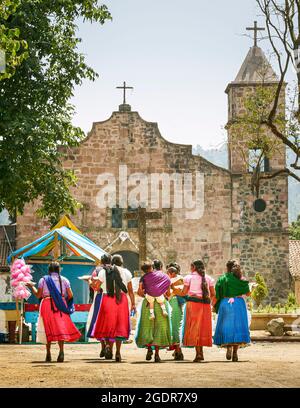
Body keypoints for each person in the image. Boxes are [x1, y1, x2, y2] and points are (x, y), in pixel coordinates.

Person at [26, 261, 81, 362]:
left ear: (49, 270)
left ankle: (48, 353)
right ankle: (61, 351)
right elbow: (71, 295)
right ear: (58, 270)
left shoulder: (43, 280)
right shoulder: (64, 280)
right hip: (61, 304)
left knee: (48, 328)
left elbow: (38, 295)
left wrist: (31, 286)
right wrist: (61, 299)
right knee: (61, 328)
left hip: (47, 304)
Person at [91, 254, 135, 363]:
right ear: (122, 262)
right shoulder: (127, 272)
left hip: (107, 299)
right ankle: (118, 353)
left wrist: (91, 283)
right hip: (121, 300)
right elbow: (130, 291)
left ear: (112, 262)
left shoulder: (103, 272)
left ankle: (107, 346)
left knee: (107, 324)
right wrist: (133, 304)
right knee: (120, 326)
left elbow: (96, 288)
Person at [178, 259, 215, 362]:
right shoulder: (208, 278)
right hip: (205, 305)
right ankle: (201, 353)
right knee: (203, 328)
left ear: (193, 267)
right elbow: (213, 294)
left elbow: (184, 292)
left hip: (193, 305)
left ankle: (198, 354)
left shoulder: (188, 278)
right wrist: (210, 303)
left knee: (195, 328)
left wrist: (175, 291)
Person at [213, 260, 251, 362]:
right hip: (238, 303)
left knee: (227, 326)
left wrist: (213, 305)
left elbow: (217, 295)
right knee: (237, 327)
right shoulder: (241, 279)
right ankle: (235, 353)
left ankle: (228, 347)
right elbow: (248, 294)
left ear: (227, 268)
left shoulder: (222, 279)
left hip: (226, 303)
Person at [135, 260, 172, 363]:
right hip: (161, 304)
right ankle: (157, 354)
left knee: (148, 327)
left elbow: (139, 292)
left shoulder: (144, 277)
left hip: (148, 304)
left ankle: (148, 349)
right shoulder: (165, 276)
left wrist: (147, 295)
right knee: (159, 328)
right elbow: (168, 293)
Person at [85, 264, 106, 358]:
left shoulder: (97, 271)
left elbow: (95, 287)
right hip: (112, 298)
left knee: (99, 321)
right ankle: (109, 345)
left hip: (99, 297)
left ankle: (103, 346)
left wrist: (89, 280)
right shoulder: (114, 270)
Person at [167, 265, 184, 361]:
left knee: (174, 327)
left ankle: (178, 350)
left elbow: (168, 294)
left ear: (172, 273)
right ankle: (177, 350)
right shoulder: (182, 279)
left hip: (173, 303)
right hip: (182, 304)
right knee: (179, 326)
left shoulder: (170, 281)